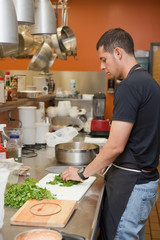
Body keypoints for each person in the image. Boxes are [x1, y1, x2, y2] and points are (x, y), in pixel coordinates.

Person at [61, 28, 160, 240]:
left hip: (132, 186)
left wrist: (82, 173)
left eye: (104, 59)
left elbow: (115, 146)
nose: (101, 66)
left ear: (118, 52)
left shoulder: (129, 86)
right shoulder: (149, 83)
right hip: (144, 181)